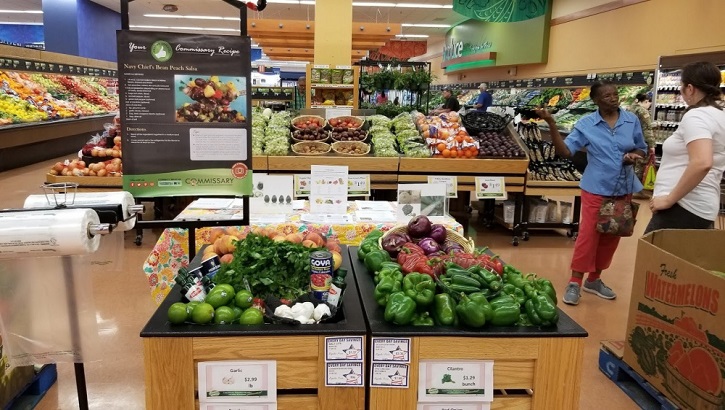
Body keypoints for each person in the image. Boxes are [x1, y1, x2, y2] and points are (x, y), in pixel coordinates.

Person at [535, 81, 647, 306]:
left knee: (612, 233)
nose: (613, 98)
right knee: (589, 234)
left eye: (615, 94)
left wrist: (633, 155)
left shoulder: (631, 120)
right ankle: (575, 281)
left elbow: (641, 147)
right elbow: (566, 151)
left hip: (623, 187)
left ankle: (595, 280)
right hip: (597, 187)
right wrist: (552, 124)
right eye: (607, 96)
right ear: (595, 100)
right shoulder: (586, 124)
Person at [646, 61, 725, 233]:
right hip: (702, 205)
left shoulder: (697, 115)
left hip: (682, 207)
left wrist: (668, 200)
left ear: (690, 88)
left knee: (654, 259)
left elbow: (702, 162)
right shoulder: (720, 114)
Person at [630, 93, 655, 198]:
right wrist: (652, 144)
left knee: (631, 166)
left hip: (630, 141)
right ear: (645, 101)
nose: (649, 105)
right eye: (649, 103)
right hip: (641, 142)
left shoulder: (630, 109)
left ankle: (630, 189)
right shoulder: (643, 111)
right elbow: (647, 129)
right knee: (641, 165)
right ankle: (637, 190)